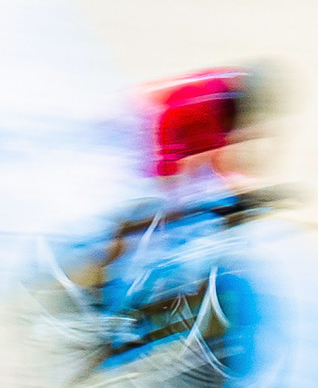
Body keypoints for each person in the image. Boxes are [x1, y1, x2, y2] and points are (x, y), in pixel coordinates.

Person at [77, 61, 286, 314]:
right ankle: (98, 282)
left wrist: (243, 192)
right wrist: (168, 180)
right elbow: (169, 128)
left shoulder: (236, 108)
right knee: (151, 209)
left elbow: (222, 159)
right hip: (145, 123)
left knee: (197, 208)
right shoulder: (211, 95)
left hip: (178, 134)